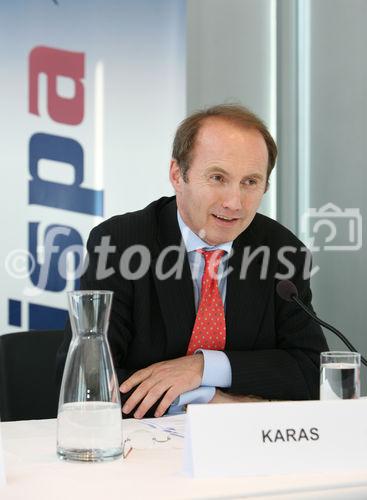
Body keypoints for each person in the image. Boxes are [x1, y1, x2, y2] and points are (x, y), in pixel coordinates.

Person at [56, 104, 328, 418]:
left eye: (250, 182)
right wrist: (203, 401)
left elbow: (313, 371)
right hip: (142, 450)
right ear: (177, 175)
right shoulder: (120, 243)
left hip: (245, 449)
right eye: (217, 177)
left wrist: (203, 367)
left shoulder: (283, 251)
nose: (233, 202)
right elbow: (88, 380)